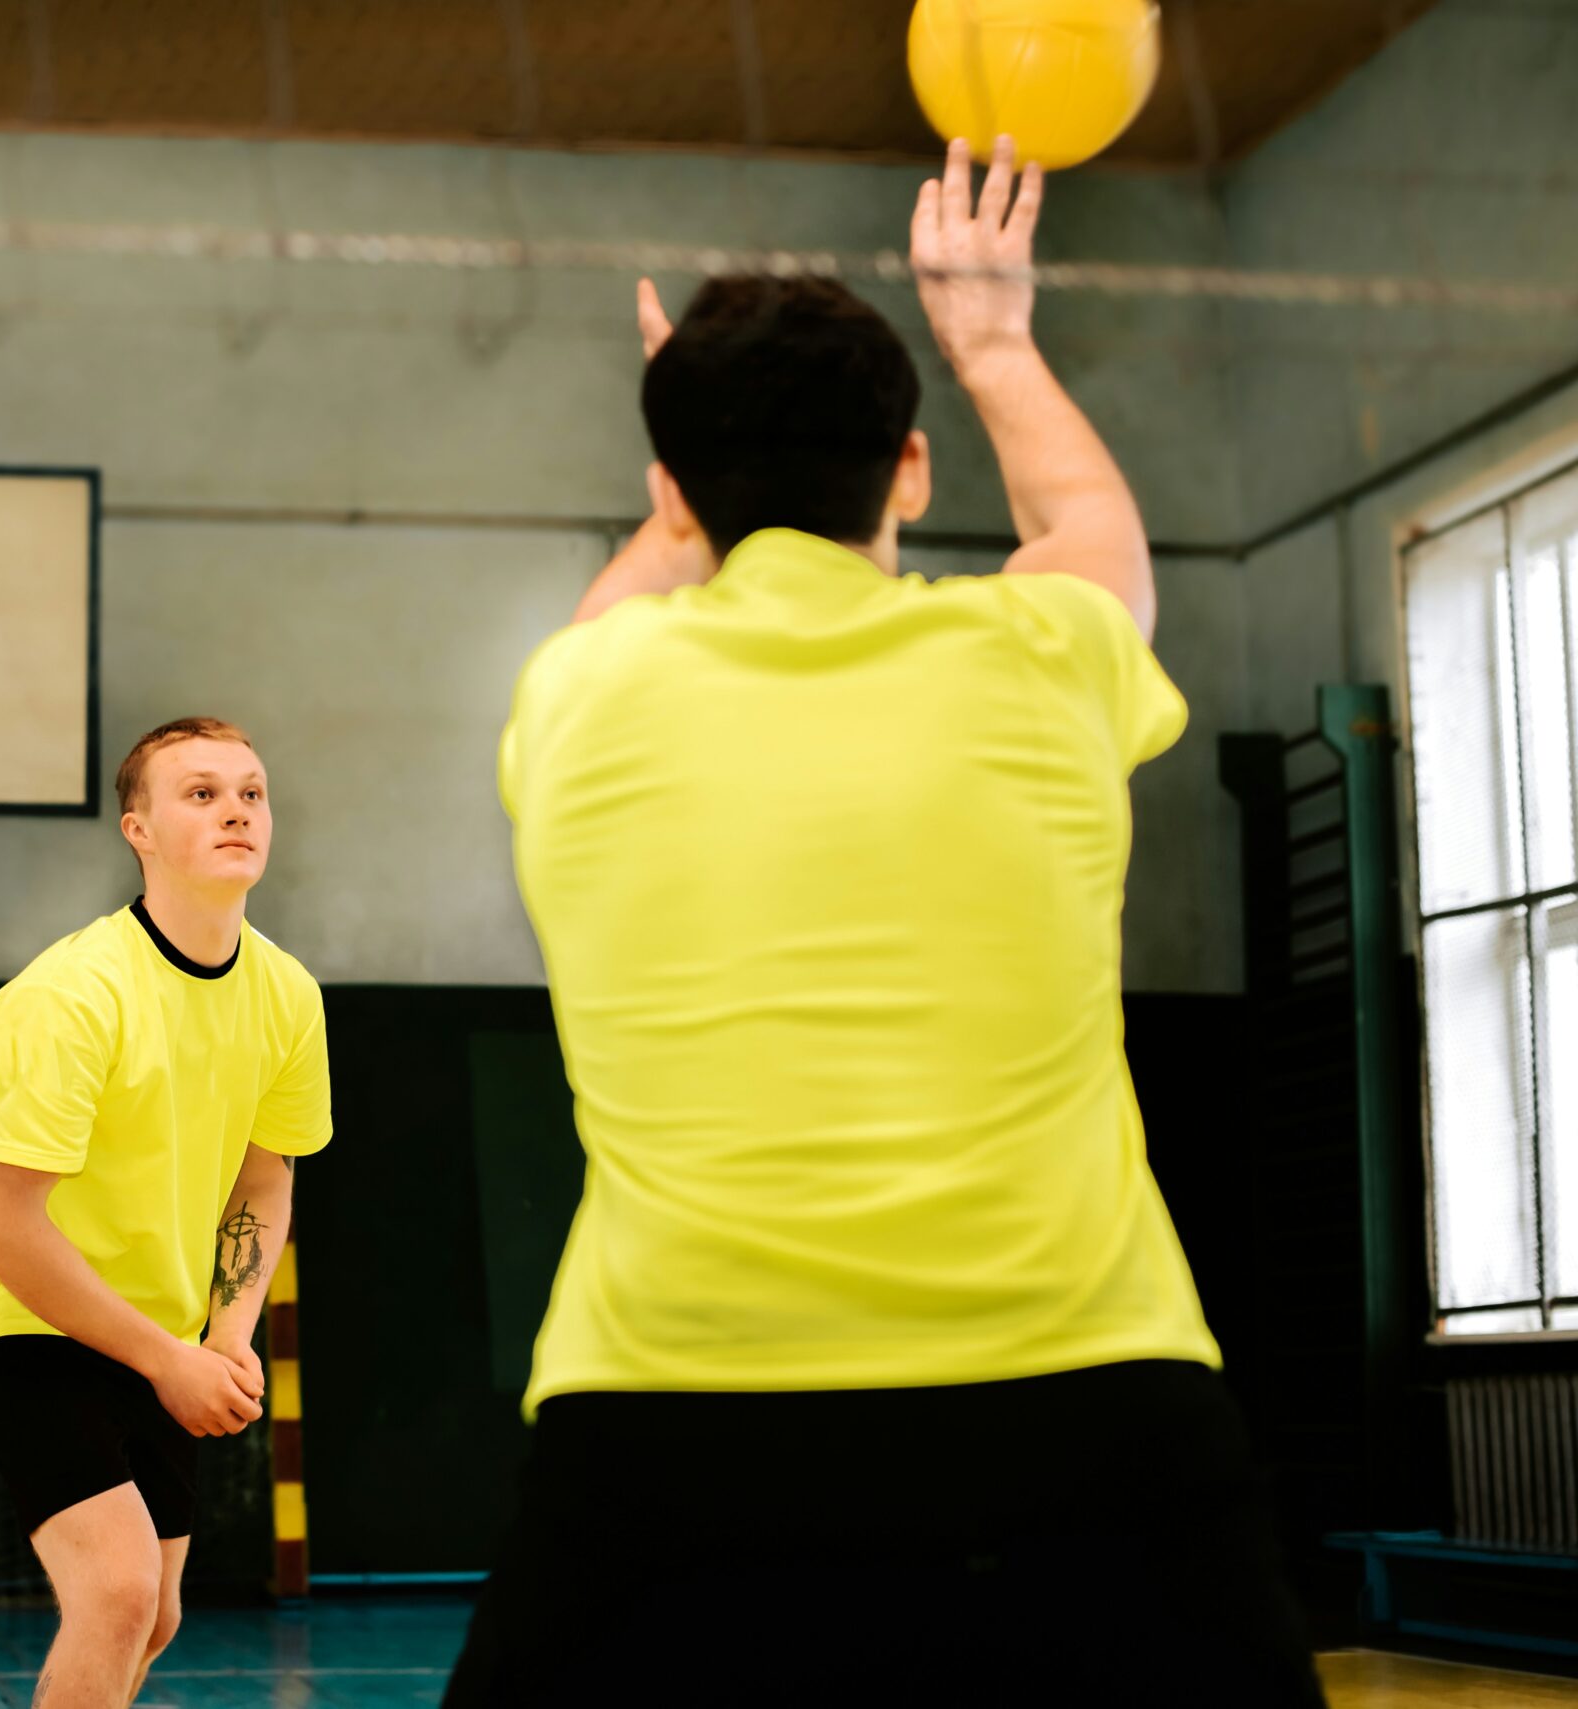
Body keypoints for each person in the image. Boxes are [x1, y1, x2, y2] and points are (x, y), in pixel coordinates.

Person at [445, 139, 1324, 1706]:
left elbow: (632, 594)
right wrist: (994, 339)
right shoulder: (1046, 658)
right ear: (910, 469)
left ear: (672, 490)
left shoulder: (579, 696)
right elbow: (1098, 538)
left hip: (672, 1430)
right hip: (1085, 1419)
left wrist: (687, 463)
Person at [0, 715, 333, 1709]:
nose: (236, 809)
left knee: (153, 1615)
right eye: (201, 792)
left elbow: (264, 1180)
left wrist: (225, 1336)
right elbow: (4, 1229)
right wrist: (169, 1359)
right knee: (118, 1589)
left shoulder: (288, 995)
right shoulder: (70, 996)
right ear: (139, 830)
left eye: (251, 791)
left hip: (168, 1332)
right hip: (30, 1315)